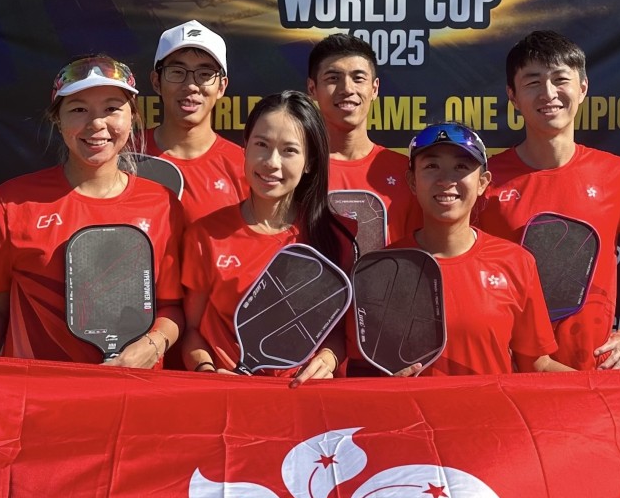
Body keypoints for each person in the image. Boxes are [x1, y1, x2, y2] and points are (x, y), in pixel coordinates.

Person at [0, 55, 184, 380]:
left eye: (112, 108)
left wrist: (152, 346)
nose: (97, 124)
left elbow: (172, 307)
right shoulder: (14, 200)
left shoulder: (163, 204)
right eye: (79, 109)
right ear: (57, 119)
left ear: (133, 117)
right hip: (37, 396)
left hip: (134, 393)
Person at [389, 123, 620, 393]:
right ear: (413, 182)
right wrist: (383, 384)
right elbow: (360, 368)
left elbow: (538, 365)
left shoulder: (515, 262)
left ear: (483, 184)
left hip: (494, 430)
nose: (446, 180)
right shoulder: (385, 269)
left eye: (461, 167)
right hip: (415, 432)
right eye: (431, 166)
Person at [478, 30, 620, 372]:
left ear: (583, 88)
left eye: (561, 79)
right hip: (505, 369)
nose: (548, 94)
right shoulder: (485, 180)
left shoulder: (615, 174)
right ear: (512, 96)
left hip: (589, 370)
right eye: (532, 82)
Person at [181, 90, 357, 385]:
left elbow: (338, 333)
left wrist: (328, 358)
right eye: (261, 145)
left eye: (289, 150)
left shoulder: (336, 236)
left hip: (306, 404)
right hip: (226, 399)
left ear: (310, 162)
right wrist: (208, 374)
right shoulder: (206, 234)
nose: (272, 162)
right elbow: (191, 331)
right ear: (245, 147)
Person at [306, 33, 417, 244]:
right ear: (312, 89)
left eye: (358, 78)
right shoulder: (295, 168)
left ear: (374, 89)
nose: (347, 89)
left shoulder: (406, 172)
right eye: (333, 78)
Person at [145, 20, 248, 222]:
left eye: (204, 74)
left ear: (221, 87)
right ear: (157, 82)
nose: (191, 85)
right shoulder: (125, 157)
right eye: (177, 72)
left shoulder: (245, 167)